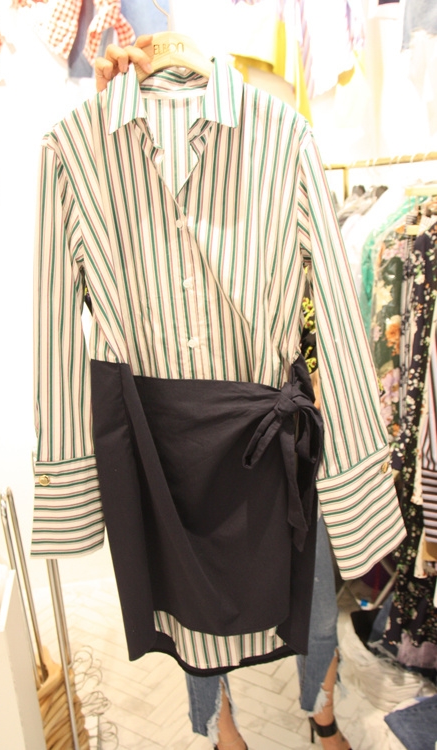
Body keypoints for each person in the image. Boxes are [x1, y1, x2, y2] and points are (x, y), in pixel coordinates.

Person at [94, 38, 352, 750]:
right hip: (172, 427)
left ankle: (321, 708)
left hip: (279, 408)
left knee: (314, 581)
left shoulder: (282, 136)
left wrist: (346, 443)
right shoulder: (94, 145)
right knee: (191, 604)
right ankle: (221, 727)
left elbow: (330, 299)